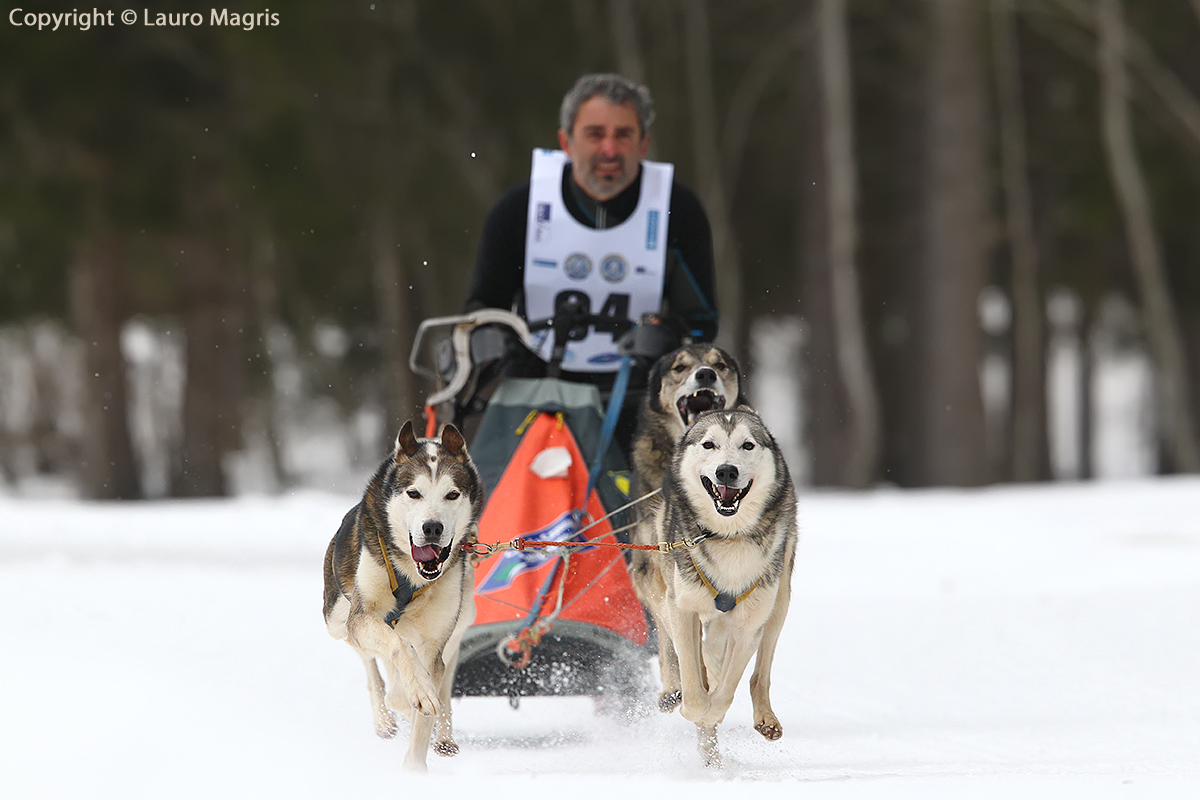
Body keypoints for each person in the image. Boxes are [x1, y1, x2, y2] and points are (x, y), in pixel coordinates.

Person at [463, 73, 719, 456]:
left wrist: (665, 335)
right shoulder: (518, 211)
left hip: (636, 399)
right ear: (566, 141)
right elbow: (481, 309)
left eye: (624, 135)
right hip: (536, 395)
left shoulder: (677, 210)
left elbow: (701, 323)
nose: (609, 149)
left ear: (644, 143)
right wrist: (495, 340)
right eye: (595, 134)